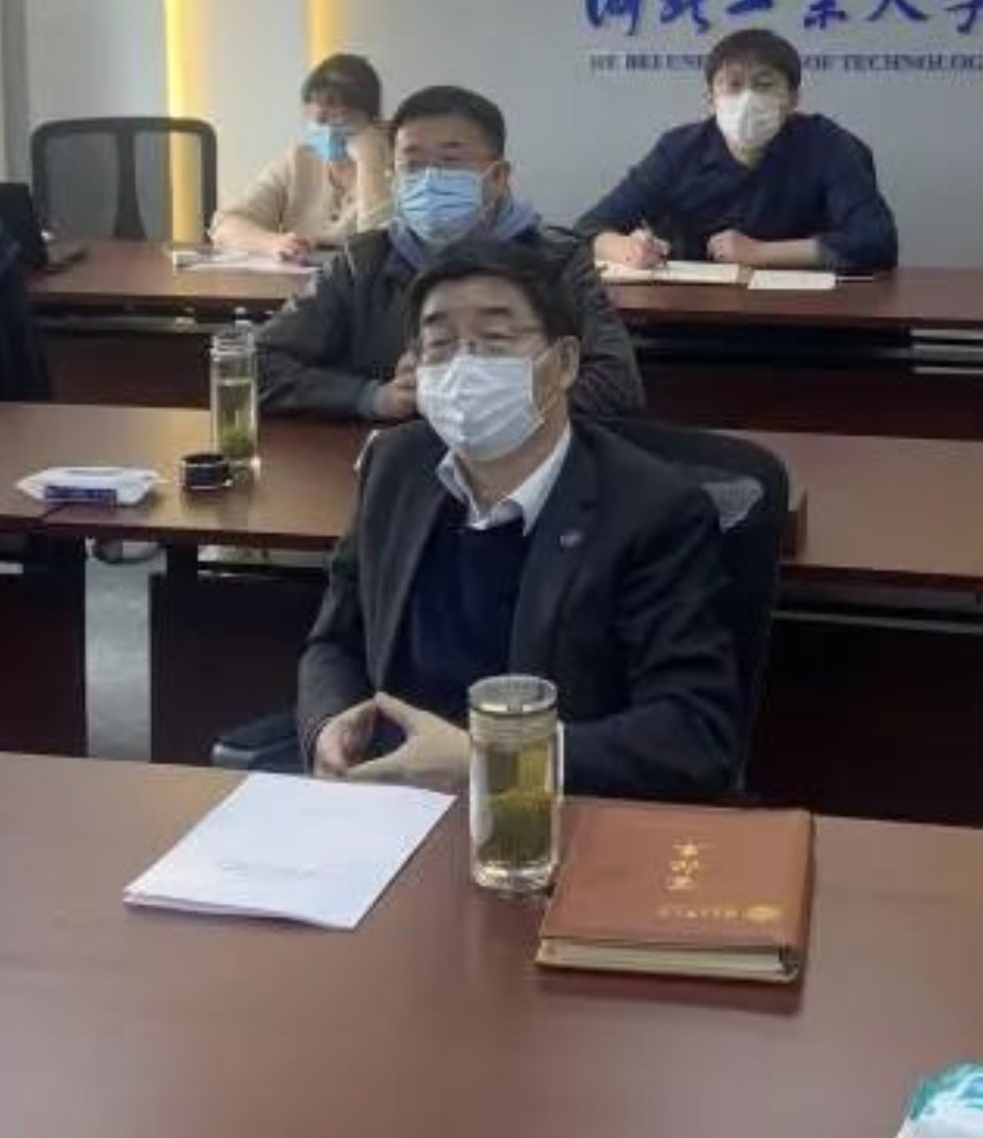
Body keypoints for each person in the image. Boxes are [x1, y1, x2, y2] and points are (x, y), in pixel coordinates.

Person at [298, 241, 743, 801]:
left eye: (495, 340)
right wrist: (328, 724)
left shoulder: (652, 509)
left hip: (546, 814)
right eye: (440, 345)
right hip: (389, 801)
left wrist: (495, 760)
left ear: (564, 364)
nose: (465, 366)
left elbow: (693, 733)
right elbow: (336, 641)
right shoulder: (394, 467)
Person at [257, 83, 644, 422]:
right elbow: (257, 363)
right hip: (393, 456)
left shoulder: (558, 259)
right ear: (393, 179)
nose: (429, 180)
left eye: (449, 162)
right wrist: (371, 397)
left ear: (498, 177)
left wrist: (511, 404)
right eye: (412, 165)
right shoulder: (362, 262)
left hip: (522, 456)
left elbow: (618, 384)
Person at [583, 27, 899, 275]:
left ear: (792, 99)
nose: (748, 99)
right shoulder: (678, 150)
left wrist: (760, 253)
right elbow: (588, 230)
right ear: (711, 99)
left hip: (810, 320)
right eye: (733, 85)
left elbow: (876, 240)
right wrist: (626, 249)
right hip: (692, 318)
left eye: (764, 85)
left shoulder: (827, 144)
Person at [208, 51, 391, 263]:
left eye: (338, 119)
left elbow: (380, 246)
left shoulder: (402, 166)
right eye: (317, 121)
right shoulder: (299, 160)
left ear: (373, 120)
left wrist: (370, 163)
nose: (327, 130)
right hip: (298, 281)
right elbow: (225, 225)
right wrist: (273, 243)